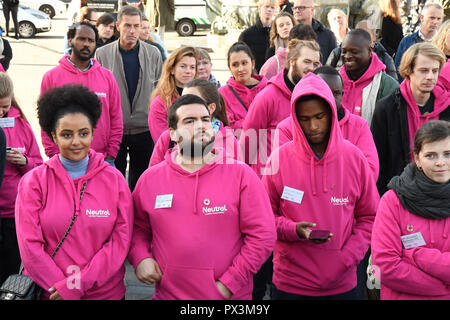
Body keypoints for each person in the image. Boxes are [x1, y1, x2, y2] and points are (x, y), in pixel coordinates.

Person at [128, 94, 276, 300]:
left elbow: (263, 236)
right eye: (190, 121)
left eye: (206, 119)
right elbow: (136, 229)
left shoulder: (241, 175)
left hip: (229, 298)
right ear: (172, 133)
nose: (201, 126)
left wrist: (228, 285)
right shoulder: (150, 180)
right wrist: (140, 258)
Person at [263, 72, 379, 300]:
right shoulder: (278, 160)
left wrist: (346, 258)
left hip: (343, 282)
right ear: (295, 118)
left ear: (331, 113)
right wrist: (294, 229)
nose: (313, 126)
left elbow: (370, 217)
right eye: (305, 119)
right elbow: (264, 218)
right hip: (290, 283)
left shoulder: (354, 158)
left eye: (319, 116)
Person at [15, 84, 133, 300]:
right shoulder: (33, 182)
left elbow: (120, 241)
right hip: (51, 293)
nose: (76, 142)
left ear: (93, 133)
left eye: (84, 133)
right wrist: (60, 287)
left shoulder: (115, 180)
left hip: (106, 294)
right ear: (53, 136)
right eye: (67, 135)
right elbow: (29, 246)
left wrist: (75, 286)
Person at [371, 120, 450, 300]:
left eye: (447, 154)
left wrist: (417, 255)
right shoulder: (393, 201)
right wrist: (442, 289)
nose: (440, 162)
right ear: (417, 159)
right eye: (430, 155)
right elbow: (384, 266)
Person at [95, 5, 163, 192]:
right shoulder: (102, 54)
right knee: (113, 182)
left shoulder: (154, 53)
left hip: (145, 129)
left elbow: (160, 91)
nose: (132, 31)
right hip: (115, 131)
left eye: (136, 26)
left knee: (142, 182)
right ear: (118, 26)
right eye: (127, 26)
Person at [371, 42, 449, 196]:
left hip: (443, 194)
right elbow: (379, 161)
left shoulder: (447, 106)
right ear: (408, 71)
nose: (430, 77)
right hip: (400, 193)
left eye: (435, 71)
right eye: (423, 70)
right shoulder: (387, 108)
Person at [40, 22, 122, 168]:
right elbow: (44, 119)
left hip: (102, 159)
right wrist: (53, 154)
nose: (86, 44)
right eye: (81, 39)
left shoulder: (107, 77)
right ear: (70, 40)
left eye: (91, 41)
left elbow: (116, 117)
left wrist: (111, 153)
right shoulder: (51, 77)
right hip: (63, 160)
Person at [276, 66, 380, 180]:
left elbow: (370, 171)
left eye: (336, 93)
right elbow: (285, 172)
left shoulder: (359, 126)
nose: (331, 98)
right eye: (325, 91)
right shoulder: (286, 128)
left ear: (342, 94)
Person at [242, 39, 321, 179]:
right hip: (268, 177)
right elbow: (248, 141)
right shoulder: (267, 96)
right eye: (306, 62)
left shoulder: (316, 98)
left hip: (300, 178)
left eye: (315, 64)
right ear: (292, 61)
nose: (311, 68)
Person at [0, 73, 42, 284]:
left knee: (9, 272)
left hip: (13, 214)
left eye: (4, 107)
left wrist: (25, 162)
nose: (0, 112)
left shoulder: (21, 125)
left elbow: (39, 167)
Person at [150, 79, 241, 166]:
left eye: (194, 100)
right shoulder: (168, 137)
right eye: (183, 100)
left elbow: (239, 177)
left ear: (211, 108)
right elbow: (154, 176)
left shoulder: (229, 141)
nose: (185, 105)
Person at [340, 29, 399, 125]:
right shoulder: (335, 81)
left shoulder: (387, 86)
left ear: (369, 51)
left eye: (354, 52)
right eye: (344, 51)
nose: (347, 56)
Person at [148, 46, 197, 143]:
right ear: (172, 69)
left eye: (192, 67)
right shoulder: (160, 103)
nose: (188, 71)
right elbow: (162, 140)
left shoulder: (200, 97)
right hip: (173, 155)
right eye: (183, 66)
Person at [219, 42, 268, 135]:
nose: (240, 69)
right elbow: (227, 127)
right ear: (229, 68)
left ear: (252, 64)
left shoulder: (268, 89)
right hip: (237, 147)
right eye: (235, 65)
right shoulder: (222, 94)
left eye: (244, 63)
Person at [326, 21, 398, 80]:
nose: (348, 56)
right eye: (359, 34)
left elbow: (392, 87)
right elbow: (326, 76)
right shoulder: (338, 52)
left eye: (366, 35)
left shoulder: (384, 56)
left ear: (374, 37)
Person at [395, 3, 444, 82]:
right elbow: (398, 70)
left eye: (439, 19)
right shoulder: (407, 41)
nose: (435, 22)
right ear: (422, 17)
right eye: (432, 18)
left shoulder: (444, 43)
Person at [292, 0, 337, 64]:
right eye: (295, 8)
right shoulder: (287, 32)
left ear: (312, 10)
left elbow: (333, 62)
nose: (297, 10)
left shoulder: (327, 35)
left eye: (302, 8)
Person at [238, 0, 277, 73]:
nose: (269, 10)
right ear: (259, 9)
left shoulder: (277, 34)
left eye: (272, 7)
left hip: (272, 77)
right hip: (253, 76)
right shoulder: (246, 35)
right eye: (267, 6)